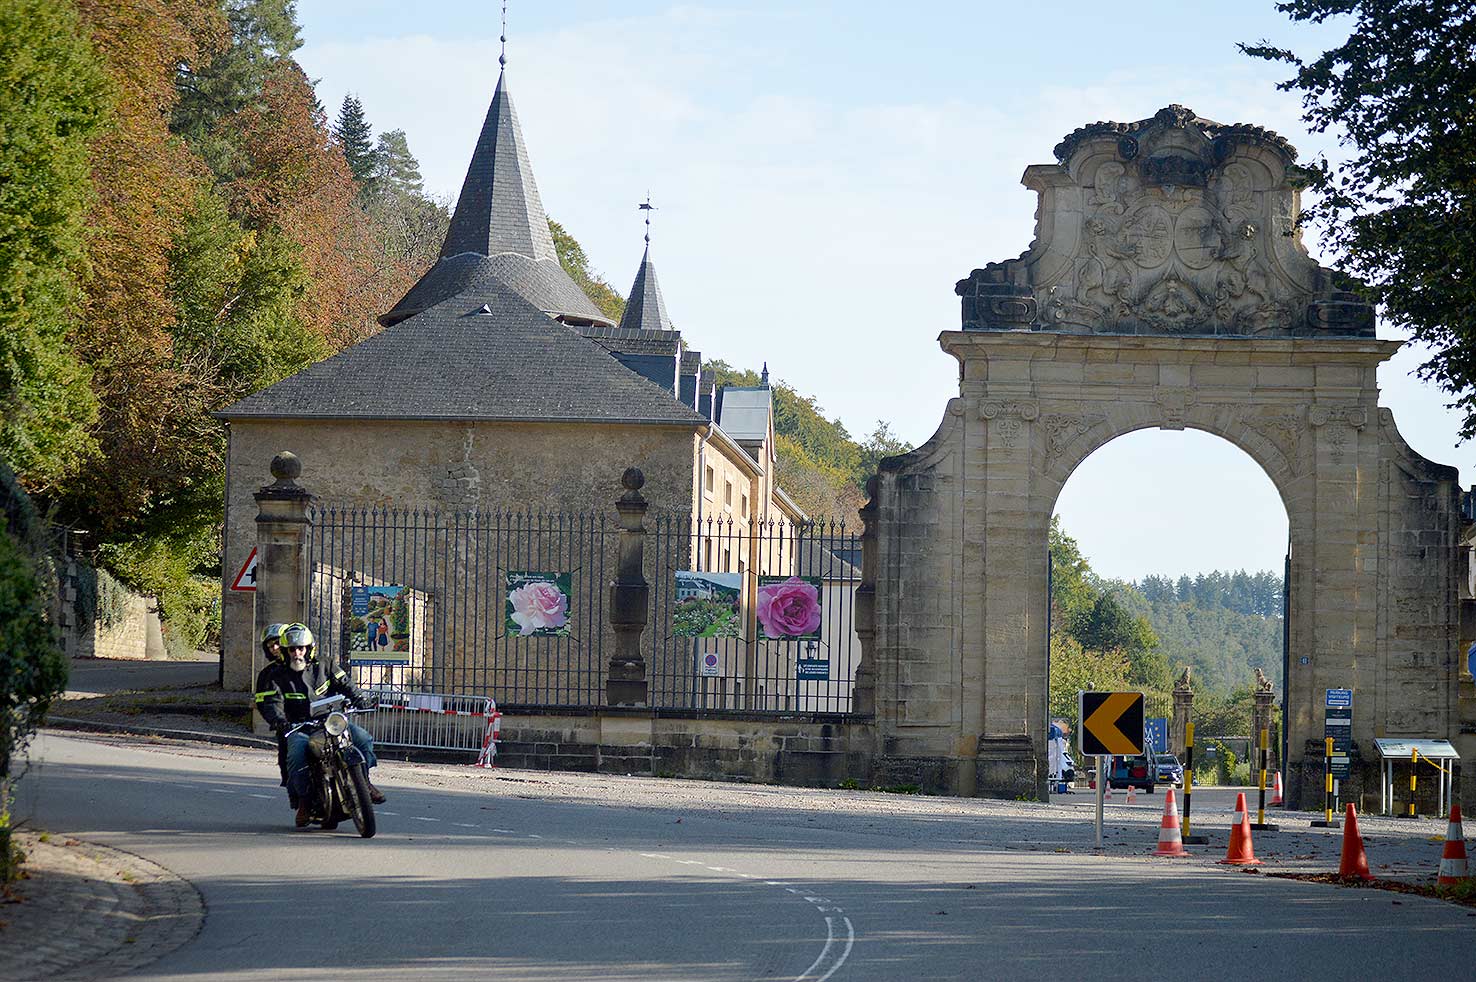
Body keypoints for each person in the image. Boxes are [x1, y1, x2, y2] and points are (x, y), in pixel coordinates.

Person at [255, 623, 386, 827]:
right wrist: (280, 721)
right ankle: (304, 802)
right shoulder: (276, 675)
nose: (297, 653)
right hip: (300, 727)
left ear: (309, 648)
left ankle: (365, 783)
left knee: (363, 738)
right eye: (292, 649)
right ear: (286, 651)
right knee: (296, 755)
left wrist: (360, 699)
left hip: (331, 722)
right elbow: (271, 703)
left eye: (301, 648)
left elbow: (346, 685)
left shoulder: (325, 665)